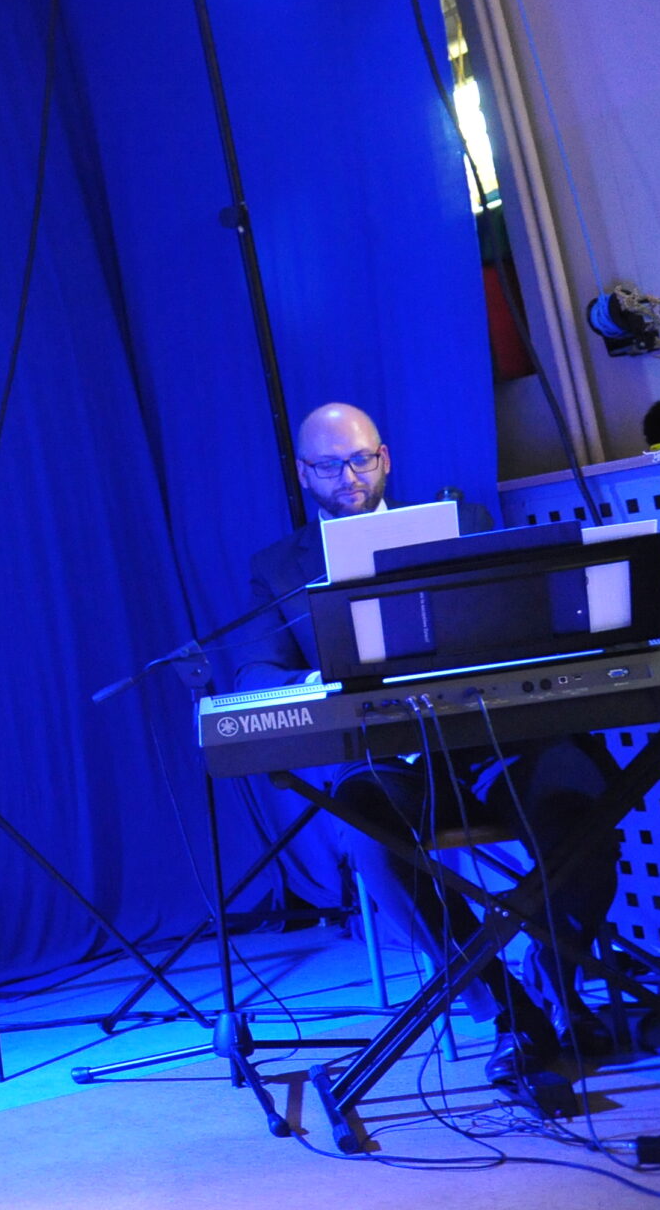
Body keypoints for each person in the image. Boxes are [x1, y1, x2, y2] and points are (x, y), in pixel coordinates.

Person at [227, 403, 620, 1112]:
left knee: (584, 808)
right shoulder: (278, 567)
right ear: (303, 473)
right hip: (390, 759)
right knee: (374, 841)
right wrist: (319, 679)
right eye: (328, 465)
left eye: (360, 459)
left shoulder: (460, 524)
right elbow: (253, 669)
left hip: (495, 744)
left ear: (385, 458)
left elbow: (526, 618)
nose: (348, 477)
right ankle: (509, 1012)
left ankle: (555, 978)